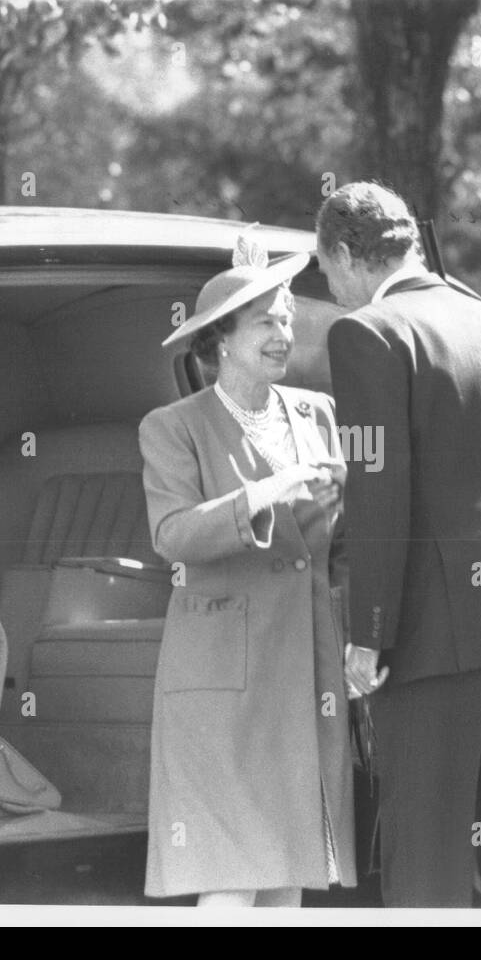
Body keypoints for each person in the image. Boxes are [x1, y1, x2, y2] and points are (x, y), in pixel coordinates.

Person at [319, 181, 481, 907]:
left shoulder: (367, 331)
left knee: (427, 855)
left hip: (437, 627)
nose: (333, 290)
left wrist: (367, 635)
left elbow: (378, 488)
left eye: (327, 271)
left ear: (345, 254)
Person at [140, 239, 355, 907]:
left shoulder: (317, 412)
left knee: (288, 877)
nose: (282, 332)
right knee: (230, 880)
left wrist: (358, 638)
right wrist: (266, 492)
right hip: (223, 683)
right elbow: (172, 535)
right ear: (220, 340)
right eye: (263, 320)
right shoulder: (172, 427)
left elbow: (339, 544)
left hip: (308, 669)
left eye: (286, 318)